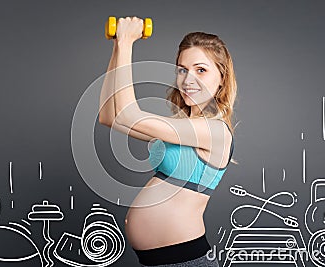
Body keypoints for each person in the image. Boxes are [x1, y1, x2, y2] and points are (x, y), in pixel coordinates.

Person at [99, 16, 236, 267]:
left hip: (185, 260)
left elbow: (129, 114)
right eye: (182, 70)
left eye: (201, 70)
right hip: (158, 261)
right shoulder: (178, 128)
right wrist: (118, 45)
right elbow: (109, 116)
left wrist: (129, 42)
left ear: (221, 79)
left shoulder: (214, 131)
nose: (188, 79)